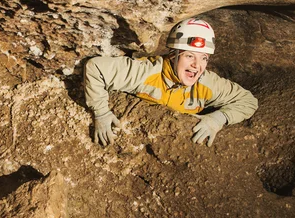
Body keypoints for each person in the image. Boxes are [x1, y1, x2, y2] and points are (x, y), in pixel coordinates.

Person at [84, 18, 258, 147]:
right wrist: (101, 113)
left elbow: (248, 101)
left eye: (204, 58)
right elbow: (95, 67)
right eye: (189, 56)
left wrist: (218, 118)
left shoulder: (206, 83)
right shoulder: (146, 72)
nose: (197, 66)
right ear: (173, 56)